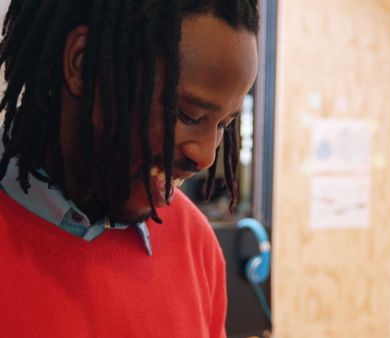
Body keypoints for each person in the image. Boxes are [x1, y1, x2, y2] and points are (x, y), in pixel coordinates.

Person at [0, 0, 258, 337]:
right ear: (82, 63)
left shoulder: (195, 243)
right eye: (187, 115)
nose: (207, 156)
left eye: (223, 124)